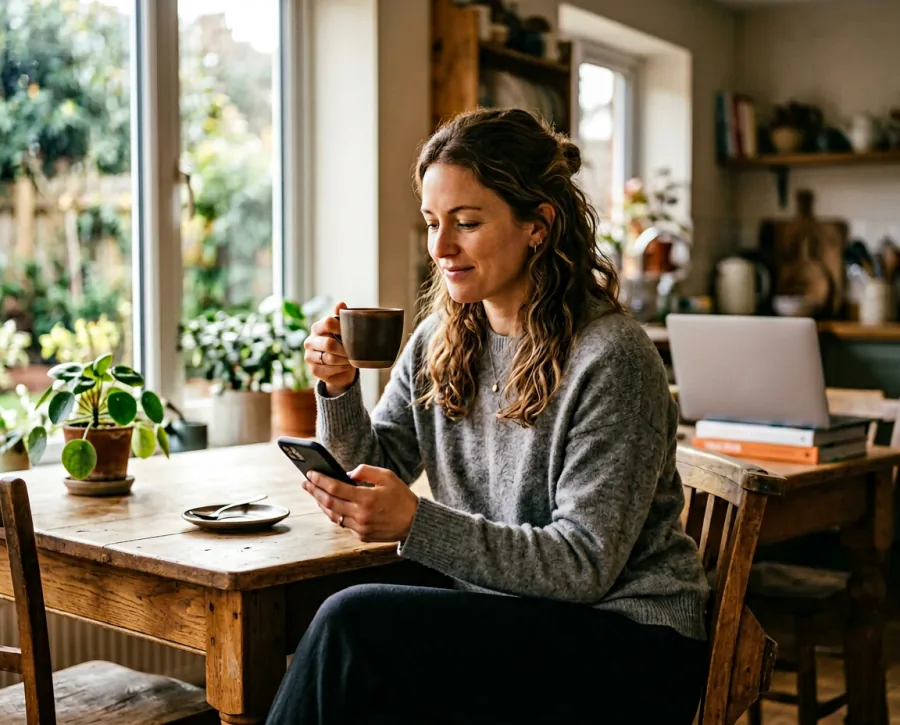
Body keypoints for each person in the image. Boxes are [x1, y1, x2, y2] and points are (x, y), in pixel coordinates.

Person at [265, 108, 708, 725]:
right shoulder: (440, 338)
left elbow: (583, 565)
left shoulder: (611, 358)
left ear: (538, 225)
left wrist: (416, 520)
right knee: (342, 622)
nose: (441, 248)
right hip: (516, 610)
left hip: (628, 639)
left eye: (466, 223)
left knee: (353, 626)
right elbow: (376, 465)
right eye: (431, 223)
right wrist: (338, 389)